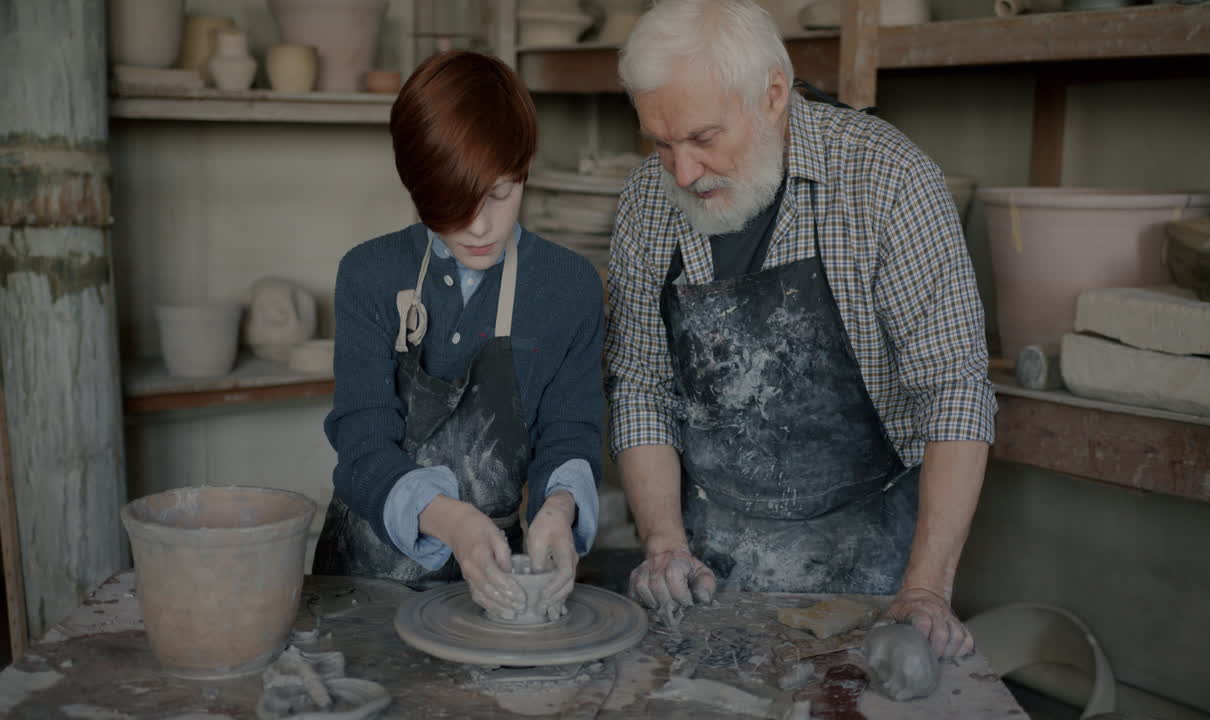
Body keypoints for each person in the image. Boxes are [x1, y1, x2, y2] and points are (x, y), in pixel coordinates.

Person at [604, 0, 997, 659]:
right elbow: (641, 387)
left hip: (871, 565)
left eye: (703, 138)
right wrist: (665, 544)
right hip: (707, 564)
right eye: (662, 144)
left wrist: (926, 589)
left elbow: (954, 390)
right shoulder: (649, 200)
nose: (683, 172)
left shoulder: (886, 181)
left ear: (774, 94)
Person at [314, 50, 605, 622]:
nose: (478, 225)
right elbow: (362, 445)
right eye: (451, 201)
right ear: (415, 183)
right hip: (363, 577)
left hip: (497, 576)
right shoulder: (370, 274)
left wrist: (559, 508)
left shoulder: (568, 287)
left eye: (500, 193)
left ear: (526, 167)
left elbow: (570, 434)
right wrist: (453, 522)